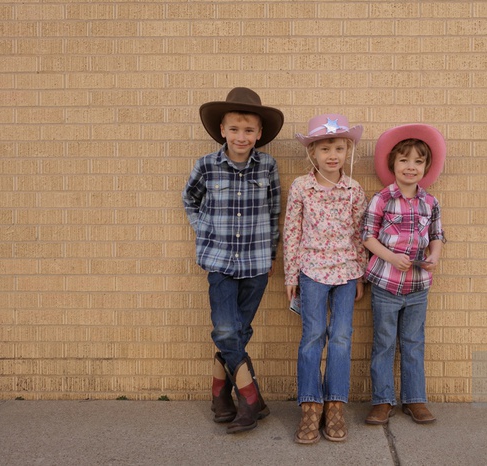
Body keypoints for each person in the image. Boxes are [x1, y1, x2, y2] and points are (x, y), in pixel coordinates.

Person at [182, 87, 284, 434]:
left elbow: (273, 212)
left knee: (237, 331)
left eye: (249, 130)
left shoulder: (267, 166)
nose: (242, 136)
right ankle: (251, 399)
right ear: (223, 130)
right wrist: (203, 228)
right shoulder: (207, 166)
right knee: (226, 329)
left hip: (256, 263)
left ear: (259, 134)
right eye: (235, 129)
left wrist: (272, 253)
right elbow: (190, 200)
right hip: (219, 261)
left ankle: (219, 396)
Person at [284, 114, 368, 444]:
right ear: (313, 153)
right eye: (325, 149)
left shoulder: (354, 189)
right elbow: (291, 232)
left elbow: (361, 234)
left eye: (338, 148)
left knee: (342, 336)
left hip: (347, 272)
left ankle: (335, 405)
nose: (332, 155)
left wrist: (360, 275)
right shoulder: (301, 187)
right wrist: (291, 275)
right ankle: (310, 405)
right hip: (312, 271)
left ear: (347, 152)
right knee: (313, 336)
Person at [362, 124, 446, 426]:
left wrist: (434, 256)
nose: (411, 167)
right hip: (386, 284)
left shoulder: (430, 202)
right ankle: (382, 400)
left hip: (418, 286)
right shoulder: (382, 199)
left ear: (426, 167)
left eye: (418, 161)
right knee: (384, 342)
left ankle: (414, 399)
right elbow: (367, 236)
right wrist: (390, 257)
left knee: (412, 341)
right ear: (392, 164)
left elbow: (437, 235)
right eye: (404, 160)